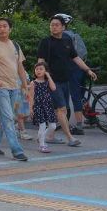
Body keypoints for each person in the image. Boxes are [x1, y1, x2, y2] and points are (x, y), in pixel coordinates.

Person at [37, 16, 96, 147]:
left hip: (65, 80)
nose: (54, 27)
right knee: (62, 109)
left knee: (60, 109)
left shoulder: (67, 39)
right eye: (52, 25)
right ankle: (70, 138)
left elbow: (75, 57)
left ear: (63, 27)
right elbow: (40, 61)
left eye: (57, 25)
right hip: (52, 81)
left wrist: (88, 70)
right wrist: (41, 76)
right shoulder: (45, 42)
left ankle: (50, 136)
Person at [0, 17, 29, 161]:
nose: (2, 28)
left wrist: (25, 84)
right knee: (8, 117)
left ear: (10, 29)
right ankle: (17, 150)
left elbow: (20, 66)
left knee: (5, 117)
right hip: (0, 87)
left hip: (15, 86)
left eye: (5, 26)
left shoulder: (15, 45)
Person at [55, 13, 90, 135]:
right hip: (80, 68)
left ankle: (79, 126)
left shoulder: (63, 37)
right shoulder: (75, 34)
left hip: (70, 69)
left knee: (74, 95)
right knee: (79, 95)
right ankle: (89, 115)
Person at [28, 61, 57, 153]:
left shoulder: (47, 81)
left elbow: (54, 88)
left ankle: (40, 137)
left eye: (41, 69)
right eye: (36, 69)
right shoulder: (33, 83)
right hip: (38, 106)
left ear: (45, 71)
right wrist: (31, 108)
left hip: (48, 105)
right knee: (42, 126)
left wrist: (48, 76)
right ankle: (42, 145)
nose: (38, 71)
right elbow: (31, 96)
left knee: (53, 126)